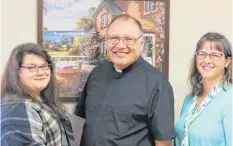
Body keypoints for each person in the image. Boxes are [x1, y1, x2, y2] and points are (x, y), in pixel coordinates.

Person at [74, 14, 176, 146]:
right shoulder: (96, 73)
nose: (120, 45)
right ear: (106, 40)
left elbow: (163, 142)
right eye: (114, 38)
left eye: (129, 39)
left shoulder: (157, 84)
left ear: (142, 41)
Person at [1, 43, 75, 146]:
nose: (41, 72)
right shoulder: (17, 109)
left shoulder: (40, 99)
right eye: (32, 67)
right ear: (16, 71)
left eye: (44, 66)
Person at [175, 32, 232, 146]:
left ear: (227, 61)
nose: (206, 61)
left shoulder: (230, 99)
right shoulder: (190, 98)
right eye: (202, 54)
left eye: (214, 55)